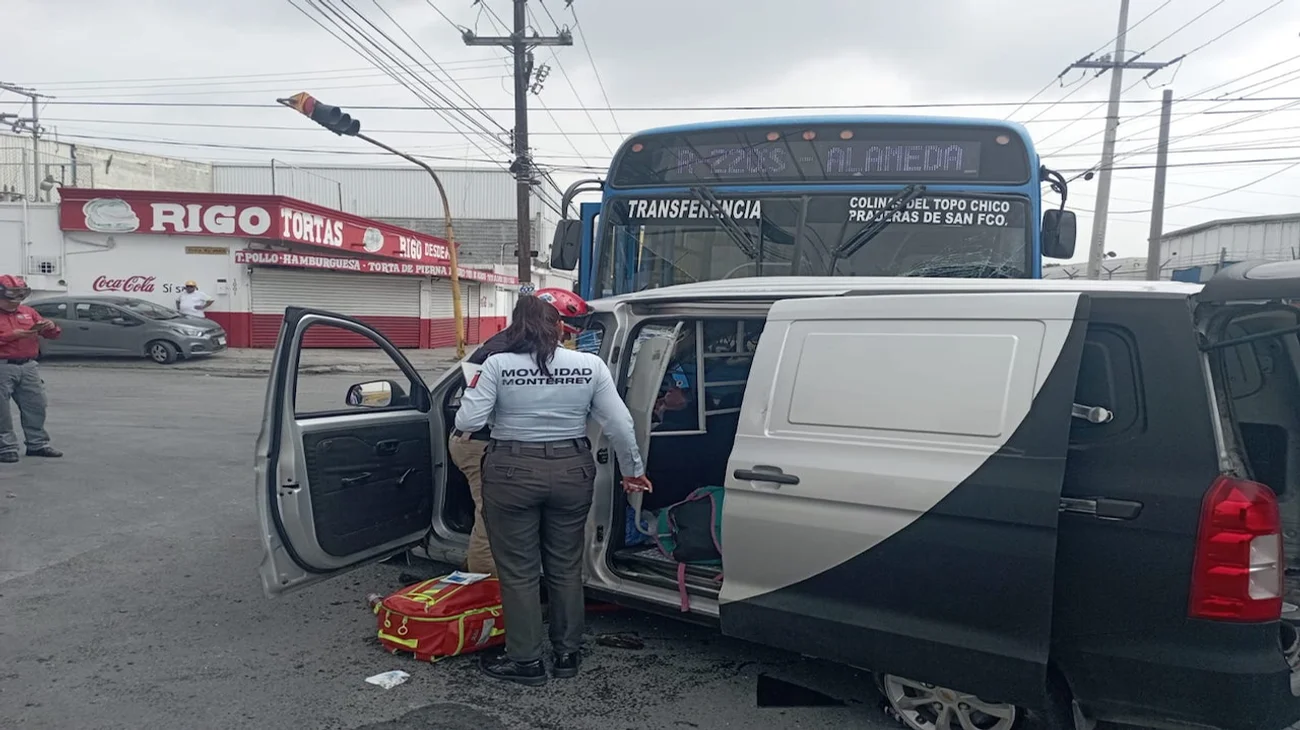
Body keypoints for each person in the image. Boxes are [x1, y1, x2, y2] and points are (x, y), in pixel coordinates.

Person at [454, 293, 651, 686]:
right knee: (564, 566)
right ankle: (567, 654)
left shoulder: (497, 365)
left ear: (517, 326)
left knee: (520, 572)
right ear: (560, 326)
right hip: (571, 470)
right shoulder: (590, 365)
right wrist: (633, 472)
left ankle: (526, 662)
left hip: (511, 471)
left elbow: (469, 419)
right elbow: (620, 425)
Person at [449, 288, 595, 576]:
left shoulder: (520, 345)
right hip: (480, 443)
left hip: (501, 445)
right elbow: (474, 415)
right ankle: (485, 591)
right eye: (562, 325)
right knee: (491, 521)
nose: (564, 335)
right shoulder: (502, 353)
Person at [0, 275, 63, 464]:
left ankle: (37, 444)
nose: (15, 302)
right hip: (3, 366)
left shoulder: (28, 312)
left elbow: (53, 335)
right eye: (10, 298)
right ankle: (6, 447)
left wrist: (50, 327)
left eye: (19, 298)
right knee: (1, 410)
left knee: (36, 405)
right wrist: (12, 336)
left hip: (28, 365)